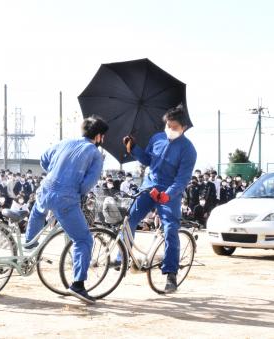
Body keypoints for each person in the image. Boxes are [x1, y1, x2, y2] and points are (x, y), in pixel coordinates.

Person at [24, 116, 108, 304]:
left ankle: (28, 248)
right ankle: (78, 285)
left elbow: (44, 159)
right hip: (66, 198)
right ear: (100, 136)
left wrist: (56, 171)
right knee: (83, 239)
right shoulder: (94, 153)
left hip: (45, 189)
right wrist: (78, 192)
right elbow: (89, 182)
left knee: (38, 212)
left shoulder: (65, 142)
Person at [122, 104, 197, 293]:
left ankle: (171, 274)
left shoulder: (188, 150)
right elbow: (148, 160)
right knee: (130, 218)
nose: (169, 130)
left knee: (171, 228)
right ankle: (122, 256)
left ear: (184, 128)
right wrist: (134, 149)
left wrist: (167, 194)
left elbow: (182, 179)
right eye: (168, 125)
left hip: (169, 194)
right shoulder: (157, 138)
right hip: (149, 186)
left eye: (174, 127)